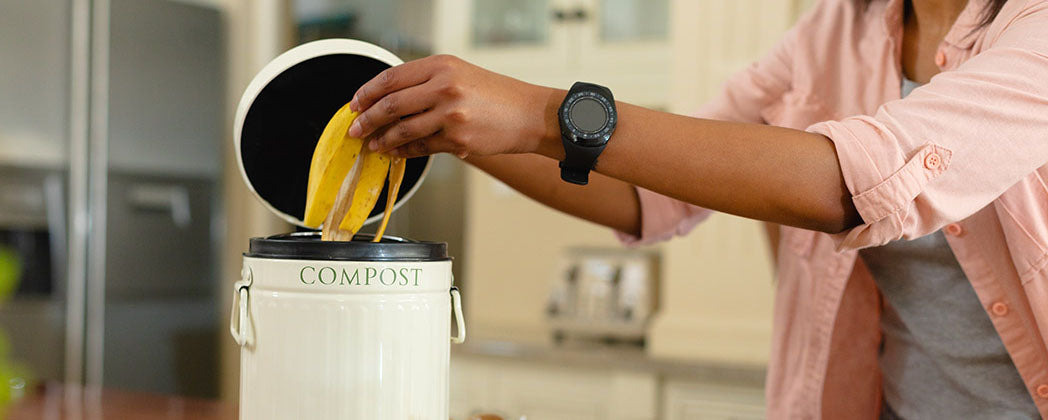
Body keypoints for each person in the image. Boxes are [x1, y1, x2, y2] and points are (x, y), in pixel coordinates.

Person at [346, 0, 1048, 418]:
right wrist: (451, 126)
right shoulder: (834, 33)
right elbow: (647, 192)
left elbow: (846, 181)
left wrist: (539, 114)